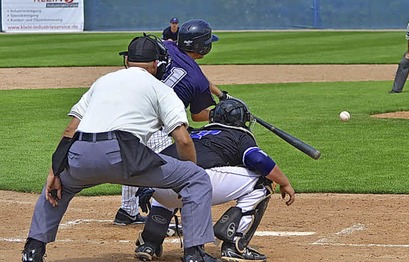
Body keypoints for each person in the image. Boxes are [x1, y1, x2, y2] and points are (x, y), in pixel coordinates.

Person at [21, 34, 219, 262]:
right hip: (125, 156)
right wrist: (185, 175)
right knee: (196, 178)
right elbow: (183, 140)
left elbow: (70, 131)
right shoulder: (161, 89)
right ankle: (194, 254)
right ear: (157, 63)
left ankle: (33, 250)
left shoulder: (102, 82)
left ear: (128, 60)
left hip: (80, 154)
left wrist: (55, 172)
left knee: (57, 189)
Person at [133, 98, 296, 262]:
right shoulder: (238, 135)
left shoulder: (194, 133)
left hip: (155, 185)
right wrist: (285, 182)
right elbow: (259, 161)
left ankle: (149, 243)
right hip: (195, 185)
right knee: (263, 181)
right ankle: (235, 245)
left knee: (173, 176)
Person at [114, 18, 230, 225]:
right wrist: (219, 113)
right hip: (161, 126)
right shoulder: (197, 80)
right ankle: (159, 207)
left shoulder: (167, 46)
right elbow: (198, 115)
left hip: (132, 113)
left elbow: (199, 75)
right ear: (203, 47)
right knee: (171, 163)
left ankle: (127, 211)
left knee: (134, 157)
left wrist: (221, 95)